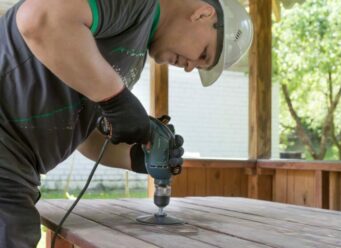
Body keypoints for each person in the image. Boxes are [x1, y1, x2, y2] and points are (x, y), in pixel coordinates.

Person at [0, 0, 253, 246]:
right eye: (203, 55)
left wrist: (135, 157)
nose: (190, 67)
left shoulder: (134, 49)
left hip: (16, 168)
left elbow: (83, 135)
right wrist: (115, 98)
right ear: (203, 15)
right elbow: (38, 18)